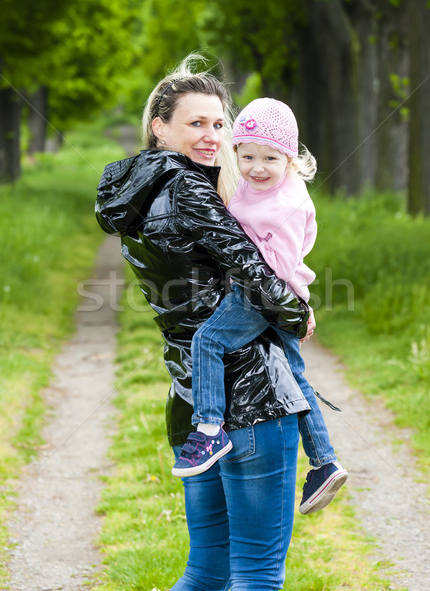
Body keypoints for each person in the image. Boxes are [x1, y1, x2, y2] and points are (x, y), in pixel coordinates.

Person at [95, 55, 313, 591]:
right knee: (258, 574)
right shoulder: (190, 189)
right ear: (159, 126)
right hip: (254, 397)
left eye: (220, 124)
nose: (212, 135)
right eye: (196, 123)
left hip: (192, 399)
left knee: (206, 571)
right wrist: (299, 311)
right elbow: (259, 276)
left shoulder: (138, 193)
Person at [172, 98, 348, 516]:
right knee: (295, 379)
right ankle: (324, 461)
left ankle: (209, 428)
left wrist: (286, 304)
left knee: (208, 341)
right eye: (247, 156)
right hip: (268, 295)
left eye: (269, 158)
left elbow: (278, 268)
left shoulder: (288, 203)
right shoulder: (257, 187)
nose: (256, 167)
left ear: (289, 158)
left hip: (263, 296)